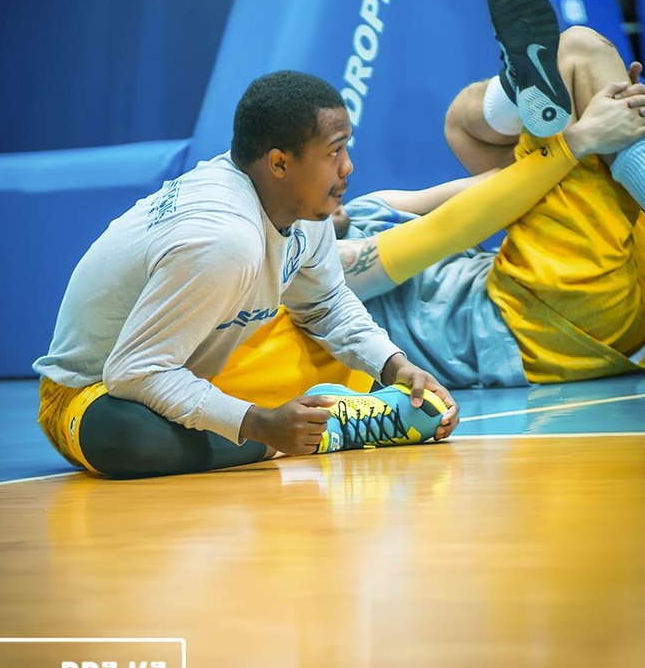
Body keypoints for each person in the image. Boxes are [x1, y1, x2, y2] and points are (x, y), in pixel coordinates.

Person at [211, 0, 645, 403]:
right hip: (540, 325)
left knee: (462, 121)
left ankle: (530, 93)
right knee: (579, 50)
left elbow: (495, 185)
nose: (347, 167)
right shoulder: (311, 270)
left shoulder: (367, 208)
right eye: (332, 154)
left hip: (556, 283)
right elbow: (453, 228)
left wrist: (590, 113)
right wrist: (579, 141)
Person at [34, 72, 459, 479]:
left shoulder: (300, 205)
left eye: (346, 148)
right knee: (123, 437)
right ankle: (319, 432)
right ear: (279, 163)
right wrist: (261, 425)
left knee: (336, 347)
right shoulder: (224, 241)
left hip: (188, 363)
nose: (347, 167)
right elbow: (133, 373)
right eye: (334, 152)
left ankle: (310, 420)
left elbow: (327, 305)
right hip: (96, 389)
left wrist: (396, 367)